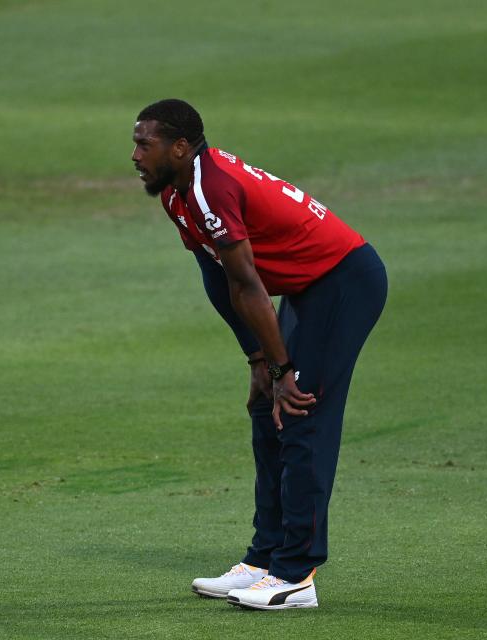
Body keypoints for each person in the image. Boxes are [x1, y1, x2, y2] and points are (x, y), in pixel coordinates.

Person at [131, 99, 387, 611]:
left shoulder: (210, 187)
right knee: (265, 411)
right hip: (306, 290)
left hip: (342, 283)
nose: (135, 154)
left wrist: (283, 370)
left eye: (145, 144)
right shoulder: (178, 194)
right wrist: (258, 360)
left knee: (300, 413)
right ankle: (265, 558)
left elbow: (248, 283)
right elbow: (217, 276)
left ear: (180, 147)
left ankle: (296, 574)